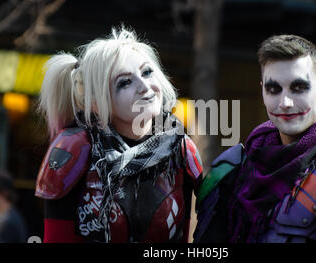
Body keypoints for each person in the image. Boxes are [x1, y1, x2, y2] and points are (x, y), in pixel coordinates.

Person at [194, 34, 316, 243]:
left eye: (298, 88)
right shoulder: (235, 167)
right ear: (262, 91)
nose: (285, 102)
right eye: (273, 89)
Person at [35, 26, 203, 243]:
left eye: (147, 72)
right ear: (96, 103)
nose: (145, 87)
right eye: (125, 82)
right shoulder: (74, 149)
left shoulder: (181, 149)